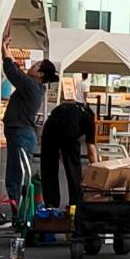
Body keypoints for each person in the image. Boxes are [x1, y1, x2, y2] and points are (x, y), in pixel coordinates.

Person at [1, 51, 52, 215]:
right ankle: (21, 213)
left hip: (20, 133)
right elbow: (17, 72)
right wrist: (6, 51)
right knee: (17, 174)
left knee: (16, 176)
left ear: (40, 74)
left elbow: (13, 73)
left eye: (36, 65)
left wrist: (5, 52)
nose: (33, 65)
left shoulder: (31, 86)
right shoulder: (35, 87)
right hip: (22, 133)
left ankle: (21, 215)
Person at [38, 83, 97, 213]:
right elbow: (91, 148)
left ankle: (51, 205)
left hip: (50, 127)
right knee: (73, 168)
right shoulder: (89, 118)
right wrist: (98, 170)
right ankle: (75, 204)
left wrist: (51, 151)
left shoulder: (68, 107)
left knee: (48, 167)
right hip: (69, 131)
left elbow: (54, 131)